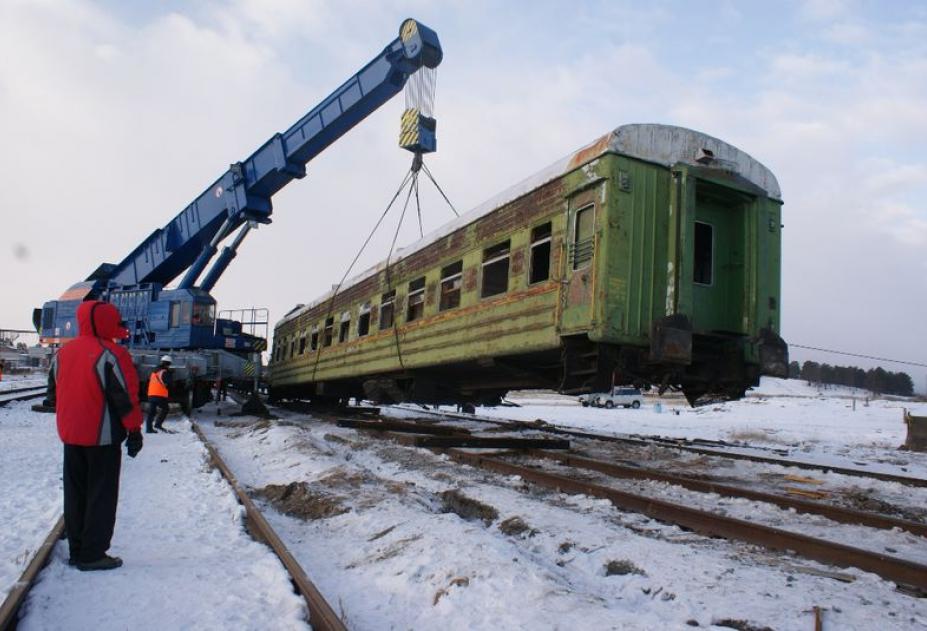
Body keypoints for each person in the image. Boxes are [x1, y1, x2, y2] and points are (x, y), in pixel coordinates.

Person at [47, 300, 143, 571]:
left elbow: (52, 394)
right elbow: (125, 398)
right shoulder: (112, 354)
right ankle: (92, 555)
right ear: (106, 322)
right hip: (102, 439)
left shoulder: (63, 354)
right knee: (101, 495)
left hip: (70, 435)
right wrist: (135, 430)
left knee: (75, 493)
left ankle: (77, 550)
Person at [146, 355, 173, 433]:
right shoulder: (165, 372)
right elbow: (169, 382)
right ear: (168, 364)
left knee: (151, 411)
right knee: (165, 409)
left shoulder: (154, 371)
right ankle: (158, 424)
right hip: (160, 394)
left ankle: (148, 428)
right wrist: (171, 374)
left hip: (151, 394)